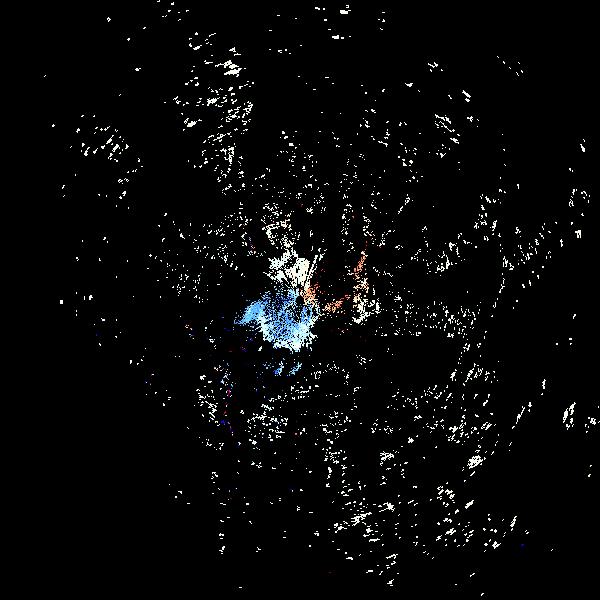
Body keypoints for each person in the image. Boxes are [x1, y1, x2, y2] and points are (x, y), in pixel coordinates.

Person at [46, 5, 594, 595]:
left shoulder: (287, 301)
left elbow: (299, 307)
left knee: (241, 365)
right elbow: (332, 307)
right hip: (282, 338)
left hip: (267, 334)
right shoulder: (316, 309)